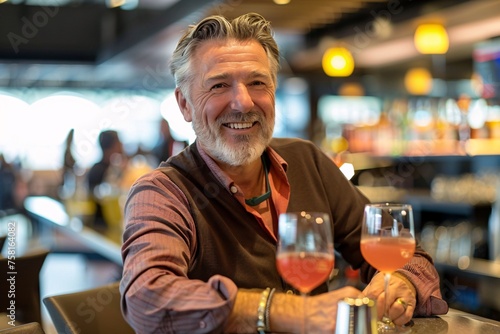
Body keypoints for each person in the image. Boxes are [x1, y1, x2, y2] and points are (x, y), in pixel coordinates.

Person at [120, 12, 448, 333]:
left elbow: (407, 254)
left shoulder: (308, 161)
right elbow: (147, 298)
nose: (242, 102)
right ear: (185, 105)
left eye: (257, 82)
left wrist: (401, 283)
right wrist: (289, 312)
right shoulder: (162, 192)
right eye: (219, 85)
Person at [86, 130, 125, 228]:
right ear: (113, 145)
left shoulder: (114, 166)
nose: (122, 144)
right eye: (119, 141)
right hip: (102, 225)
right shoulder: (100, 171)